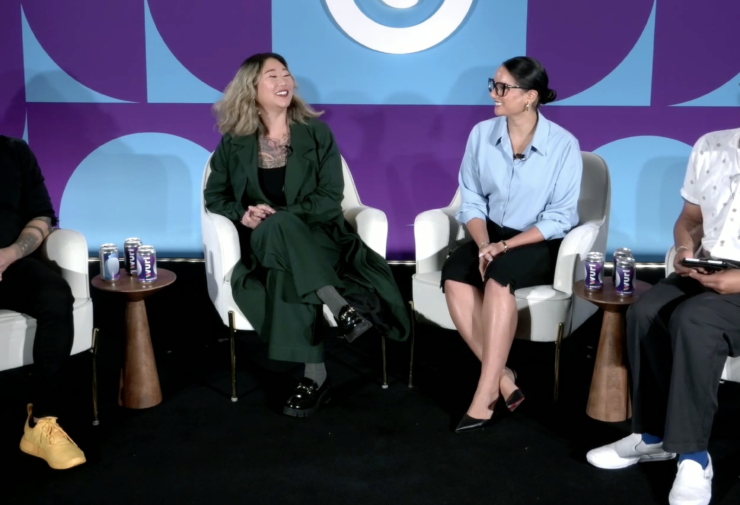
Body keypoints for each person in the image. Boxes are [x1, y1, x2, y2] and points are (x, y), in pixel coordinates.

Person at [204, 53, 410, 417]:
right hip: (263, 241)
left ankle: (315, 378)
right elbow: (215, 196)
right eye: (273, 76)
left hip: (319, 237)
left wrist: (284, 216)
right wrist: (243, 214)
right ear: (252, 88)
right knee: (276, 229)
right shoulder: (234, 141)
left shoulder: (316, 134)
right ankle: (340, 308)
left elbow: (331, 197)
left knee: (285, 259)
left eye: (286, 74)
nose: (285, 81)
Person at [587, 128, 740, 505]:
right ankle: (654, 437)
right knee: (645, 311)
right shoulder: (711, 145)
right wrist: (685, 250)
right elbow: (689, 219)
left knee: (695, 319)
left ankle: (694, 456)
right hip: (711, 267)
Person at [441, 56, 582, 433]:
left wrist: (504, 248)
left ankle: (485, 394)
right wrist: (485, 243)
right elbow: (471, 199)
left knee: (498, 276)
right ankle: (504, 377)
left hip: (536, 239)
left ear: (530, 96)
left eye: (503, 87)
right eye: (494, 84)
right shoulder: (481, 134)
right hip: (489, 234)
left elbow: (560, 217)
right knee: (454, 274)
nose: (494, 93)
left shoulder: (564, 145)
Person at [0, 135, 86, 469]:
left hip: (11, 263)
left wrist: (11, 253)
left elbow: (42, 216)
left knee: (55, 295)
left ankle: (41, 424)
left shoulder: (14, 151)